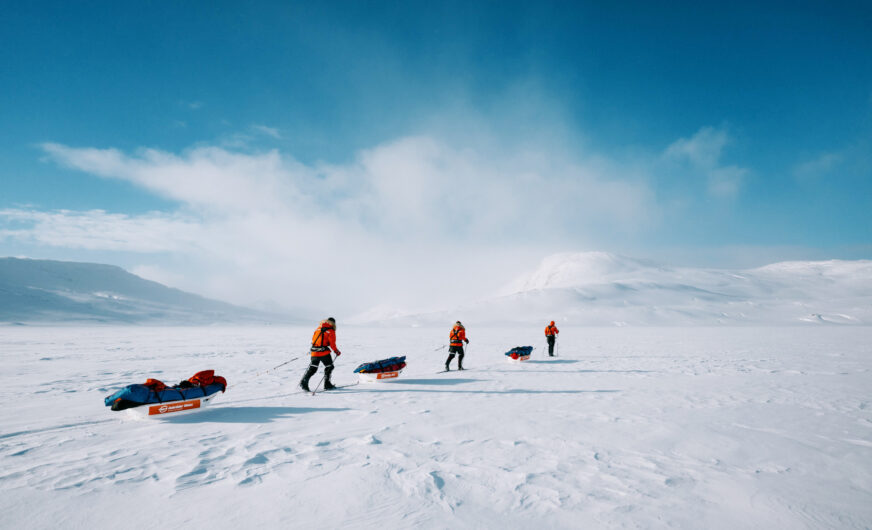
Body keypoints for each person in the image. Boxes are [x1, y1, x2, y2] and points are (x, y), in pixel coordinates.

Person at [300, 317, 342, 391]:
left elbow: (313, 340)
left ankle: (304, 381)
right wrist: (336, 351)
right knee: (329, 367)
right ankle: (327, 384)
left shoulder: (318, 329)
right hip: (324, 352)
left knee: (313, 368)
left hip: (314, 351)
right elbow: (332, 344)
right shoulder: (330, 330)